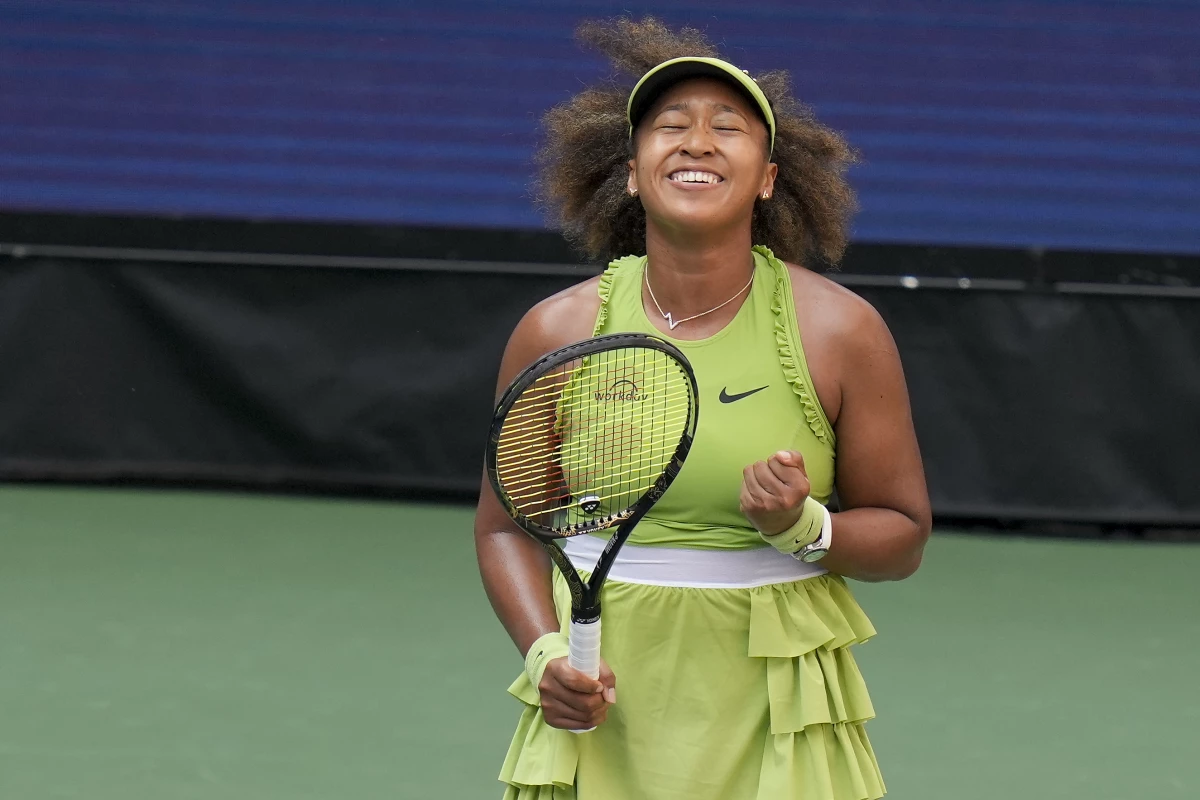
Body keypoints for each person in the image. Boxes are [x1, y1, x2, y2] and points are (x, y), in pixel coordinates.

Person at [474, 17, 931, 800]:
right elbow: (504, 526)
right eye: (669, 127)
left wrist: (804, 526)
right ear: (629, 172)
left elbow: (902, 536)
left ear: (768, 178)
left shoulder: (841, 330)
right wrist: (546, 654)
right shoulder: (556, 330)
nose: (697, 142)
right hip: (603, 708)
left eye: (729, 128)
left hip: (776, 712)